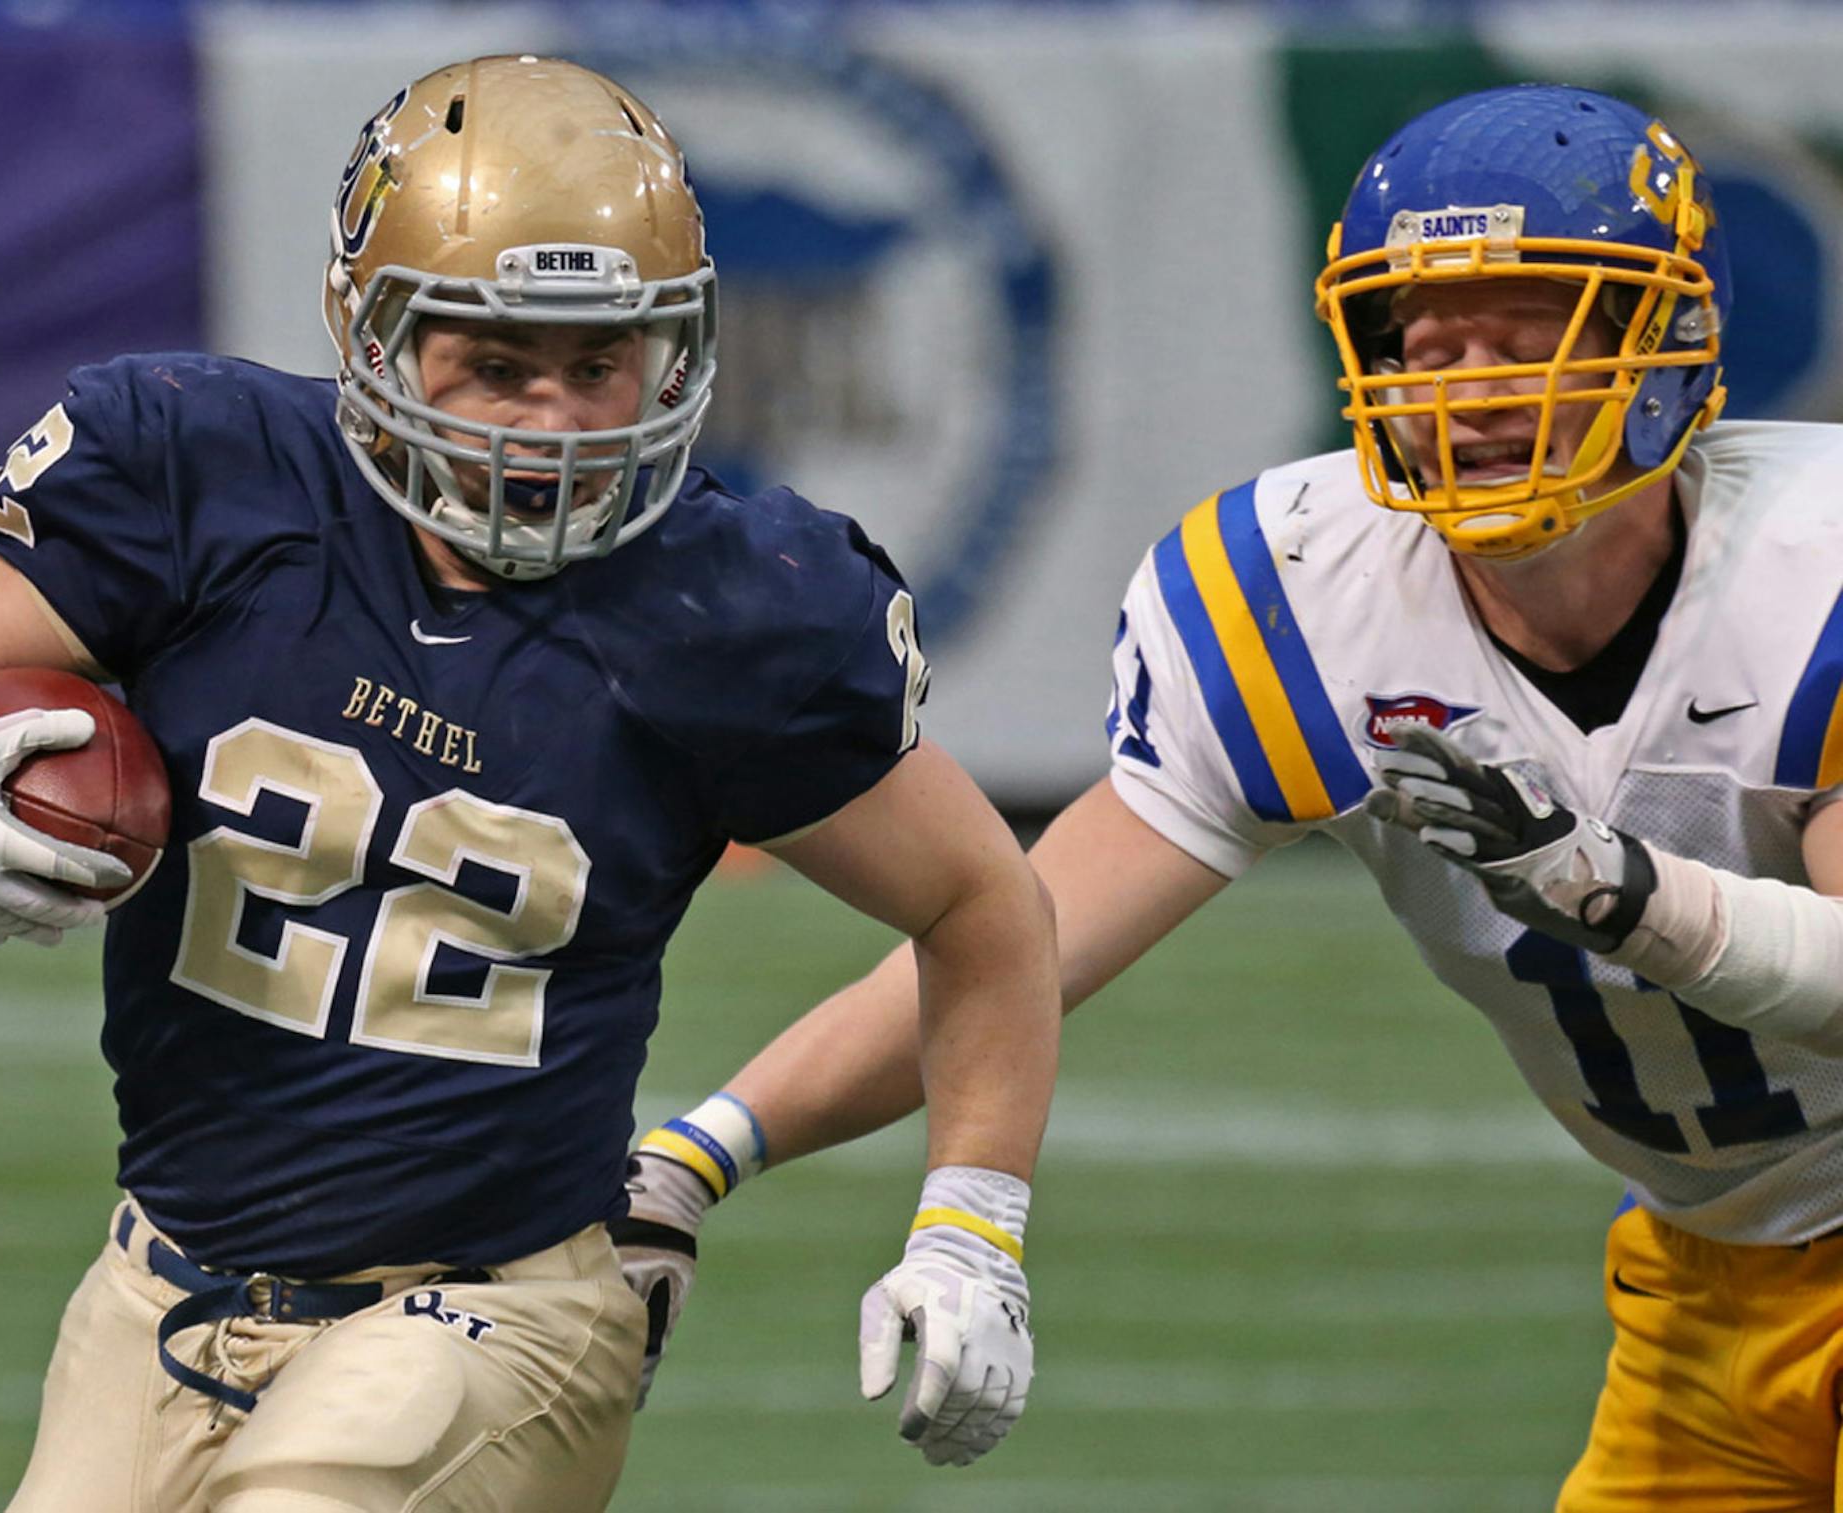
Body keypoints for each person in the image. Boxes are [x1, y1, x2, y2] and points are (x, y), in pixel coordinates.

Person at [0, 55, 1059, 1512]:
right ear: (374, 333)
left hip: (497, 1308)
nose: (555, 420)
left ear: (674, 354)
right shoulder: (214, 481)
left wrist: (971, 1221)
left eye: (596, 362)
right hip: (159, 1286)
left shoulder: (732, 607)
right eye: (498, 364)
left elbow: (981, 901)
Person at [625, 81, 1843, 1506]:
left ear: (1672, 340)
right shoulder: (1306, 596)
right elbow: (1014, 936)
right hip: (1714, 1278)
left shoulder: (1807, 568)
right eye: (1421, 338)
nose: (1465, 384)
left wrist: (1629, 900)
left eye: (1529, 332)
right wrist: (695, 1152)